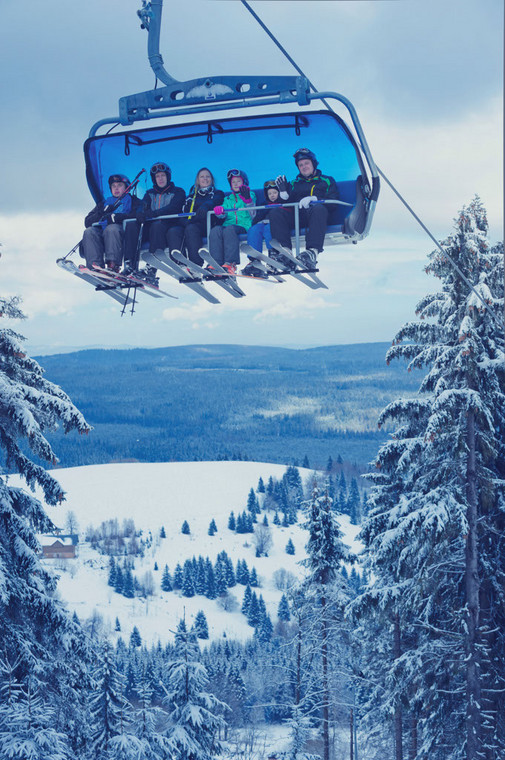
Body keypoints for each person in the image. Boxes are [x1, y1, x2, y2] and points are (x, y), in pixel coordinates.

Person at [269, 147, 339, 268]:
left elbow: (333, 202)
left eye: (306, 163)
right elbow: (285, 204)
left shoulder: (327, 180)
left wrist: (316, 199)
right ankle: (285, 251)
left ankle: (312, 252)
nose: (304, 166)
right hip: (298, 217)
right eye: (300, 165)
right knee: (276, 212)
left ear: (313, 164)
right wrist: (284, 195)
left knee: (318, 208)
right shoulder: (294, 184)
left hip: (317, 217)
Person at [81, 174, 142, 272]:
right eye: (113, 186)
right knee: (89, 231)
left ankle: (113, 265)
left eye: (120, 185)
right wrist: (102, 212)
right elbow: (87, 221)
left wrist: (118, 218)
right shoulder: (104, 204)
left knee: (112, 228)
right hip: (104, 234)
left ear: (126, 187)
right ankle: (95, 266)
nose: (116, 188)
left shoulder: (134, 202)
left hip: (123, 235)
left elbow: (138, 215)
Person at [170, 168, 224, 266]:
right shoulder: (190, 197)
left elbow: (216, 201)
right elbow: (182, 213)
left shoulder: (217, 193)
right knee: (174, 231)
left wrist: (206, 206)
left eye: (208, 177)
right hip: (191, 224)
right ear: (198, 180)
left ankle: (195, 264)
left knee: (191, 229)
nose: (205, 179)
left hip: (207, 225)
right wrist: (184, 222)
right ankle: (179, 263)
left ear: (212, 179)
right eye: (202, 177)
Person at [208, 169, 256, 275]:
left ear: (244, 182)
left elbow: (253, 211)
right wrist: (219, 211)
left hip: (242, 225)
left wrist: (247, 200)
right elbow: (224, 211)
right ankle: (216, 262)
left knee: (230, 230)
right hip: (228, 225)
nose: (235, 184)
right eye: (233, 182)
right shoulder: (228, 198)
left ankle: (231, 263)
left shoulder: (250, 194)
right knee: (215, 230)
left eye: (238, 181)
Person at [135, 162, 186, 255]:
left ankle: (155, 258)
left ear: (168, 177)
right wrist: (140, 212)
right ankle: (130, 262)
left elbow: (173, 208)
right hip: (154, 228)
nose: (160, 178)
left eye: (163, 175)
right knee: (133, 225)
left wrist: (155, 213)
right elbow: (142, 205)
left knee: (158, 226)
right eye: (157, 176)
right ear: (154, 179)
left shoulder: (178, 191)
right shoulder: (149, 193)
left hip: (172, 224)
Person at [242, 179, 280, 278]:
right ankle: (254, 260)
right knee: (254, 230)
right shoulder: (264, 204)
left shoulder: (282, 202)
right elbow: (257, 215)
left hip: (273, 223)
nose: (272, 195)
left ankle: (273, 254)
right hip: (262, 222)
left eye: (275, 193)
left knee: (268, 229)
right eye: (270, 193)